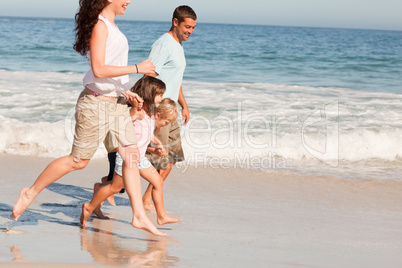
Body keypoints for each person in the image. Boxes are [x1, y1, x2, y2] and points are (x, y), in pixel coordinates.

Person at [11, 0, 166, 237]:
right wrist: (137, 67)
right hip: (95, 105)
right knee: (78, 161)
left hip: (116, 103)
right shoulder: (100, 25)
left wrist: (124, 90)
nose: (129, 1)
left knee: (131, 156)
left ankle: (138, 216)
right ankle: (30, 192)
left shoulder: (113, 28)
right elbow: (99, 69)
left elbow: (109, 71)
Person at [81, 91, 182, 226]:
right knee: (116, 188)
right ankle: (90, 205)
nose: (166, 125)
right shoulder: (140, 120)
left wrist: (155, 147)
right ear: (158, 115)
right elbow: (129, 139)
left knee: (157, 181)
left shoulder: (151, 121)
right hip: (126, 157)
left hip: (139, 158)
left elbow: (144, 142)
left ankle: (162, 216)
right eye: (166, 122)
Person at [143, 5, 197, 211]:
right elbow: (149, 76)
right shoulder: (164, 44)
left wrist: (184, 105)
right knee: (156, 158)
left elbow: (176, 79)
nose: (190, 31)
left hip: (172, 110)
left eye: (193, 28)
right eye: (187, 26)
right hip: (161, 111)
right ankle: (112, 184)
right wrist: (152, 108)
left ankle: (146, 198)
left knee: (171, 159)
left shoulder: (178, 45)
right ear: (175, 22)